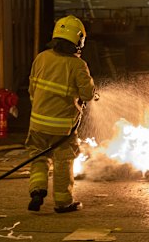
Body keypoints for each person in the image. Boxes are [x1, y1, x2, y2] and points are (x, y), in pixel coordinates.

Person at [26, 15, 96, 213]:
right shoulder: (77, 65)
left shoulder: (41, 58)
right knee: (63, 161)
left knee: (38, 157)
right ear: (78, 40)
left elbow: (32, 89)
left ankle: (37, 191)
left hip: (37, 123)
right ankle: (63, 202)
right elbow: (87, 94)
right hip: (62, 127)